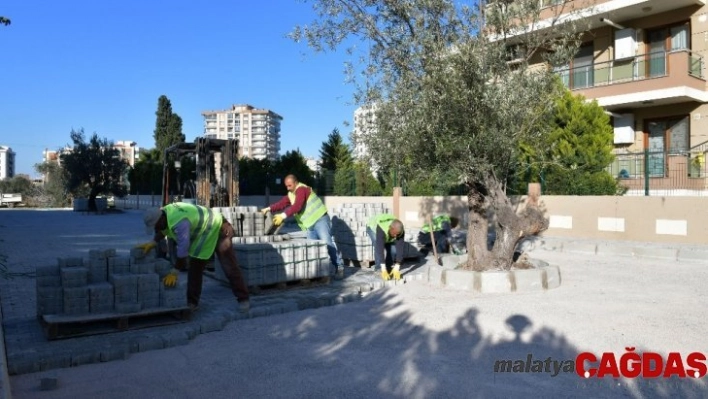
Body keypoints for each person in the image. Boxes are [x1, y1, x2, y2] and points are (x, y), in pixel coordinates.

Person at [137, 202, 250, 313]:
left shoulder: (180, 223)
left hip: (219, 227)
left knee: (228, 266)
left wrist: (175, 271)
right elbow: (164, 228)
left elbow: (182, 253)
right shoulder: (165, 212)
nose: (157, 230)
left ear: (161, 219)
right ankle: (192, 302)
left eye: (156, 227)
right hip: (205, 230)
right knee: (195, 269)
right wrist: (153, 242)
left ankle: (243, 299)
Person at [260, 174, 344, 279]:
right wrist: (268, 209)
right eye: (286, 186)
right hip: (309, 225)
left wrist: (283, 215)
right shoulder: (291, 194)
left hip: (320, 219)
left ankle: (339, 266)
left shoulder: (302, 189)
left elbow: (297, 206)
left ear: (295, 183)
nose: (288, 188)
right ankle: (318, 273)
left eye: (289, 185)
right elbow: (281, 203)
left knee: (327, 243)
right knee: (312, 249)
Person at [366, 213, 405, 281]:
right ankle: (379, 268)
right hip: (373, 228)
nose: (396, 236)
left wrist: (397, 266)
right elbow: (380, 249)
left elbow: (400, 248)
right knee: (377, 244)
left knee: (393, 249)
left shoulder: (400, 231)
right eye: (394, 233)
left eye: (397, 234)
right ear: (390, 228)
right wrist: (383, 269)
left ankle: (389, 266)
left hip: (387, 232)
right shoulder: (382, 228)